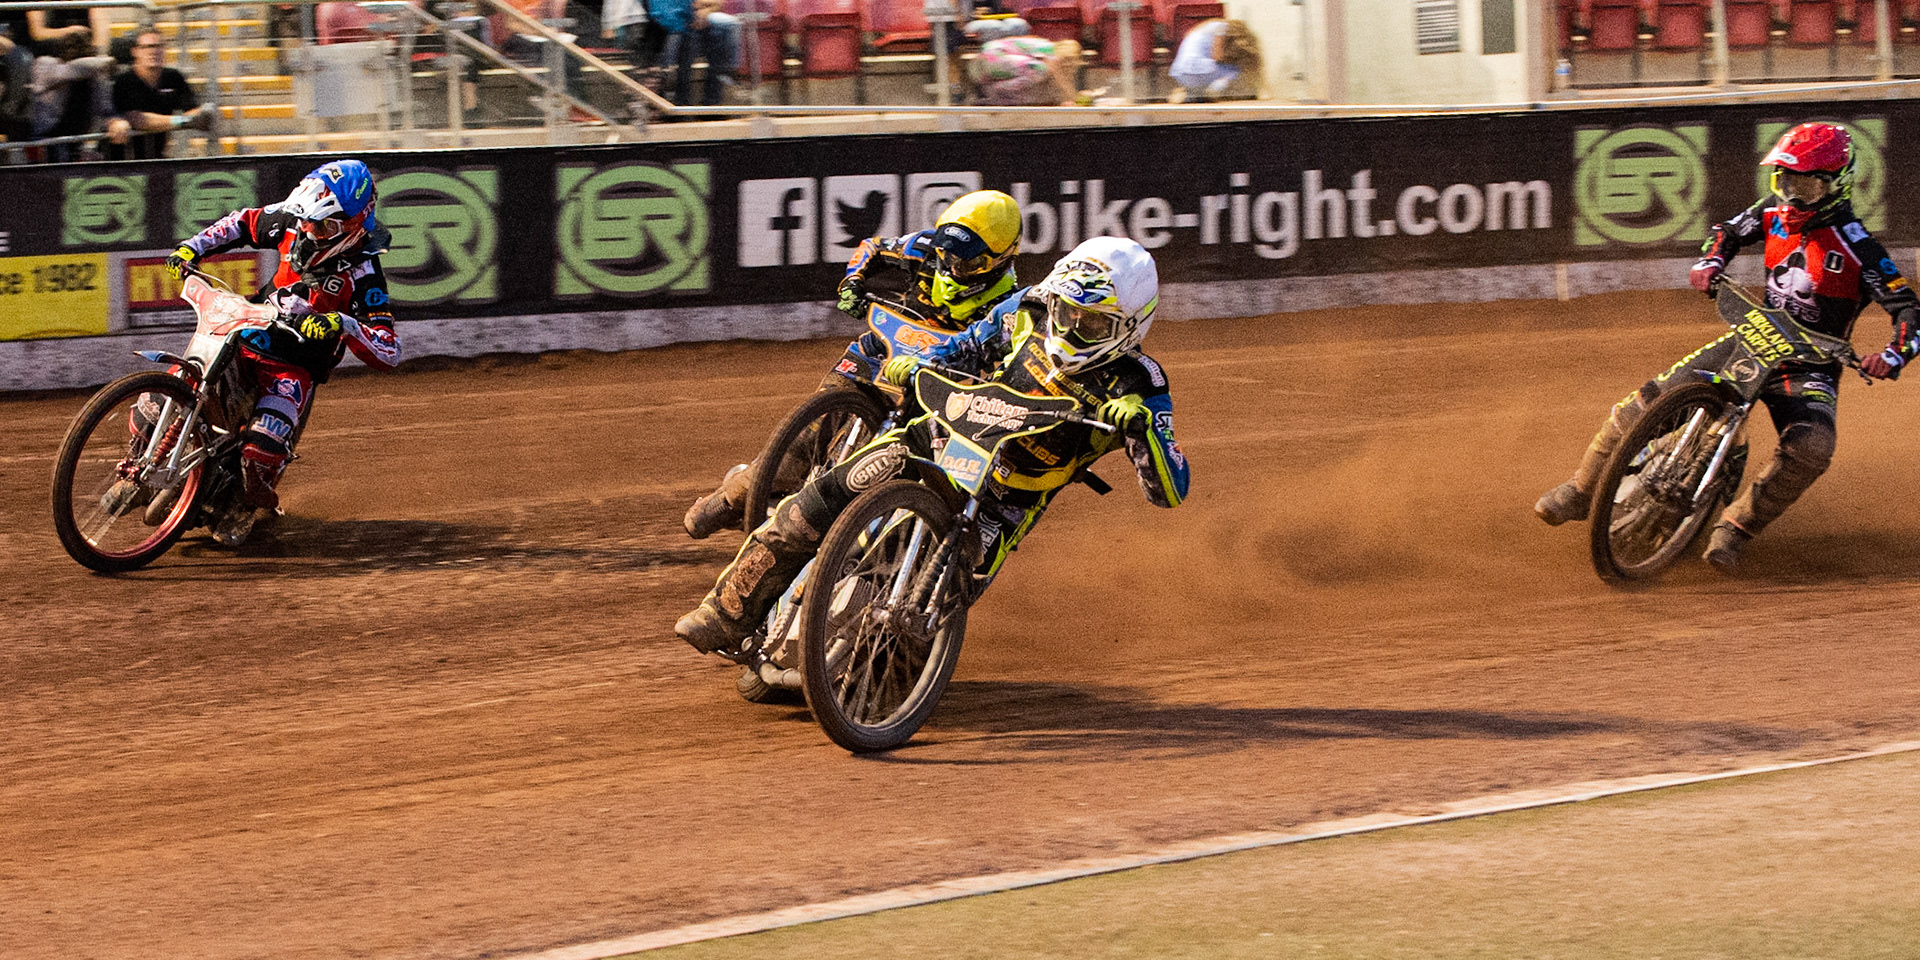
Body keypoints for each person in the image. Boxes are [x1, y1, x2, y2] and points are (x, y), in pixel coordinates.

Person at [674, 235, 1190, 654]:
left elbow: (1171, 491)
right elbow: (962, 347)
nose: (1071, 326)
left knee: (927, 618)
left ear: (1129, 325)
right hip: (941, 437)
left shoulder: (1141, 383)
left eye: (1092, 322)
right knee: (821, 497)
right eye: (1066, 311)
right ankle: (725, 612)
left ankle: (880, 670)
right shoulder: (1027, 309)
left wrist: (1142, 429)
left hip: (1005, 499)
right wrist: (918, 362)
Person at [1535, 122, 1920, 572]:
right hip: (1753, 337)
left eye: (1805, 186)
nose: (1792, 196)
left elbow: (1911, 311)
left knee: (1812, 447)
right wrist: (1711, 259)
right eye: (1785, 181)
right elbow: (1728, 231)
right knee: (1641, 404)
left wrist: (1892, 355)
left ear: (1836, 185)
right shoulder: (1772, 213)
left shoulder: (1862, 250)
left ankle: (1736, 528)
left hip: (1808, 366)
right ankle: (1581, 490)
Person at [681, 189, 1027, 539]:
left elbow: (1015, 364)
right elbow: (872, 248)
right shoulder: (922, 247)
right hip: (882, 350)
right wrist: (854, 281)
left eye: (968, 263)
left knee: (914, 470)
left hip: (936, 381)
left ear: (1002, 260)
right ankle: (731, 499)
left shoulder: (1012, 305)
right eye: (946, 253)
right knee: (811, 432)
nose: (952, 267)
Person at [163, 159, 403, 539]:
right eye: (306, 220)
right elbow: (243, 222)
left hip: (294, 367)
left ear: (354, 225)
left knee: (259, 457)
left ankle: (246, 502)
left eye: (321, 225)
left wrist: (342, 323)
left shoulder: (365, 274)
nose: (308, 229)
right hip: (248, 332)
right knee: (170, 388)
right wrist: (192, 248)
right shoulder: (295, 220)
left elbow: (390, 349)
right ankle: (148, 451)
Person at [104, 27, 214, 161]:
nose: (154, 51)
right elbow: (137, 119)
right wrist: (182, 120)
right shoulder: (124, 81)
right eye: (148, 47)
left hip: (156, 158)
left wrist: (196, 116)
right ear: (135, 52)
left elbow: (195, 111)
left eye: (159, 46)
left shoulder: (173, 77)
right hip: (123, 161)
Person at [28, 31, 113, 162]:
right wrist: (106, 61)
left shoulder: (93, 80)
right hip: (45, 143)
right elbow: (72, 70)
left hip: (76, 145)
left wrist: (90, 147)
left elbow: (103, 112)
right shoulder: (46, 64)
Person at [648, 0, 737, 107]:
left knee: (722, 31)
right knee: (683, 46)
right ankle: (679, 102)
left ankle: (710, 100)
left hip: (689, 22)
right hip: (668, 25)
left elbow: (717, 4)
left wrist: (701, 12)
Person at [1167, 18, 1264, 103]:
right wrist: (1231, 60)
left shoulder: (1199, 30)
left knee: (1208, 75)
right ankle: (1214, 90)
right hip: (1198, 68)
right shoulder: (1221, 26)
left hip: (1179, 72)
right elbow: (1217, 56)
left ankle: (1190, 94)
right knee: (1234, 71)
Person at [969, 35, 1080, 106]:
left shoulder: (1047, 46)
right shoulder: (1050, 52)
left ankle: (992, 93)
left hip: (983, 66)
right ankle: (994, 93)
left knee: (1039, 73)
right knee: (1039, 70)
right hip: (992, 59)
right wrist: (1073, 98)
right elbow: (1059, 79)